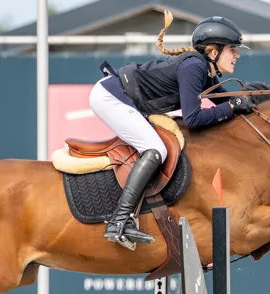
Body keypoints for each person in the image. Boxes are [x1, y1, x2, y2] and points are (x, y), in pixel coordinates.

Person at [91, 10, 257, 247]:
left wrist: (255, 102)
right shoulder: (194, 68)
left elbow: (227, 99)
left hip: (120, 95)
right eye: (232, 49)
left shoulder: (204, 70)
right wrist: (232, 107)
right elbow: (193, 119)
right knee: (155, 149)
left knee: (155, 146)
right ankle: (119, 221)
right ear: (213, 52)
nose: (237, 55)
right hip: (110, 96)